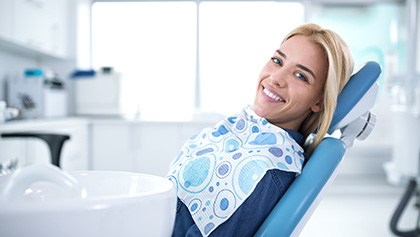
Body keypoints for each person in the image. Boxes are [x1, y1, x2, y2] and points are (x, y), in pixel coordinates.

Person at [167, 23, 354, 237]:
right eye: (277, 61)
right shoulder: (242, 128)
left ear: (319, 101)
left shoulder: (264, 170)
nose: (275, 78)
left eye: (300, 76)